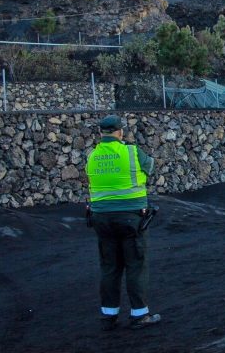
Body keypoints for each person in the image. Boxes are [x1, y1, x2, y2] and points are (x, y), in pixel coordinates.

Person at [85, 114, 160, 331]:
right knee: (135, 264)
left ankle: (108, 316)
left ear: (101, 134)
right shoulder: (131, 151)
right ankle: (140, 314)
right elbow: (150, 168)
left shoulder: (92, 155)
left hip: (101, 219)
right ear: (120, 132)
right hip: (131, 218)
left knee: (109, 267)